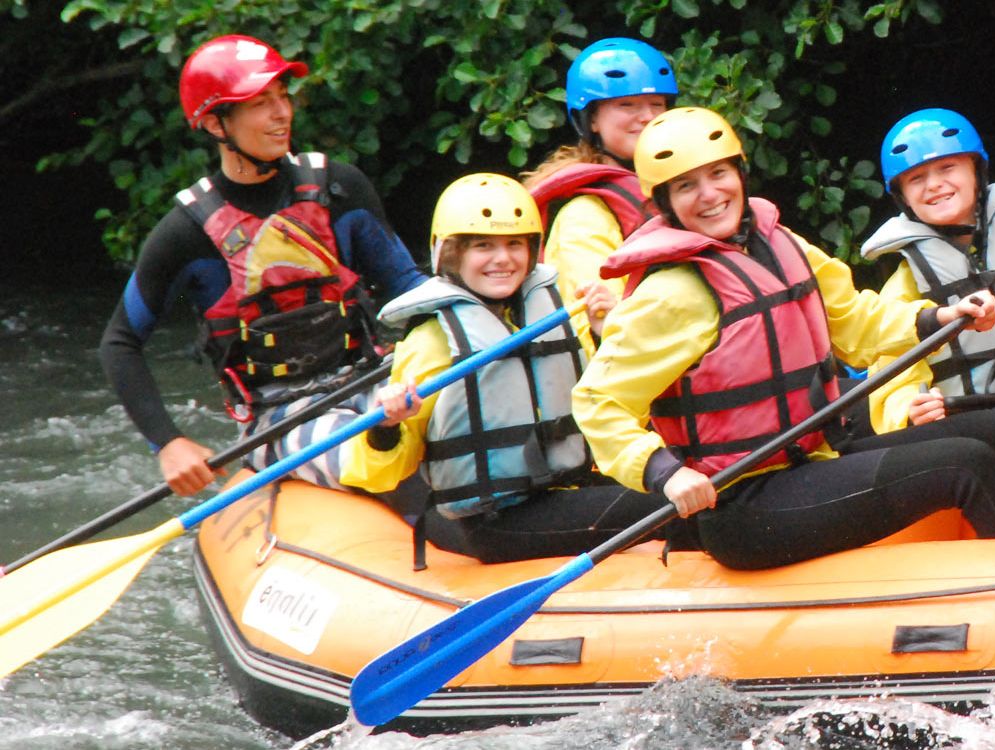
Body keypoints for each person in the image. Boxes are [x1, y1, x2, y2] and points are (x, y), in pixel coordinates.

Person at [573, 107, 995, 570]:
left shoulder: (782, 245)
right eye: (685, 186)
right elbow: (597, 402)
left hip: (812, 458)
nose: (709, 194)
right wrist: (666, 473)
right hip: (745, 505)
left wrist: (940, 316)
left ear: (740, 173)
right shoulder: (671, 293)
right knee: (964, 464)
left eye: (718, 173)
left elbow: (856, 321)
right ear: (664, 205)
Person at [99, 35, 426, 497]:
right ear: (215, 123)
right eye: (259, 103)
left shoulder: (341, 187)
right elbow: (120, 342)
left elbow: (411, 287)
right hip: (279, 417)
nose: (282, 113)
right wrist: (168, 442)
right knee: (378, 457)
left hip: (376, 380)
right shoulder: (185, 232)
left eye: (282, 96)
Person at [341, 174, 684, 564]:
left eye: (514, 244)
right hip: (496, 519)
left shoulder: (558, 315)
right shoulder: (434, 340)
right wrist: (386, 426)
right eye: (482, 246)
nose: (502, 258)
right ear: (451, 255)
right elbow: (377, 473)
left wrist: (606, 332)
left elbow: (615, 402)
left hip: (567, 488)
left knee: (677, 477)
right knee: (668, 501)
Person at [853, 108, 995, 494]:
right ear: (902, 196)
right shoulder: (907, 284)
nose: (935, 185)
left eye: (948, 169)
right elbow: (891, 371)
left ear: (976, 171)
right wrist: (907, 407)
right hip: (979, 416)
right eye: (917, 179)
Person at [522, 37, 675, 354]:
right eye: (627, 105)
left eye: (657, 104)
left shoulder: (682, 191)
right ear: (591, 119)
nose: (647, 116)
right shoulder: (584, 215)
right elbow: (593, 334)